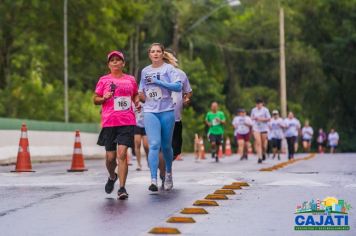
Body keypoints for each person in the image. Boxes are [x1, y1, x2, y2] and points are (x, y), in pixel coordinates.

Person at [94, 50, 140, 200]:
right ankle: (112, 176)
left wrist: (137, 102)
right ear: (109, 64)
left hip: (127, 121)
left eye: (118, 60)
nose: (115, 62)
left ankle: (122, 188)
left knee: (122, 155)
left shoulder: (130, 80)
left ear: (123, 63)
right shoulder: (103, 80)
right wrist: (103, 98)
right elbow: (95, 99)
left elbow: (135, 94)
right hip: (109, 122)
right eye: (112, 60)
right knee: (110, 158)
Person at [139, 43, 182, 192]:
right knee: (154, 145)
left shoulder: (169, 69)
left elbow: (178, 87)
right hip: (150, 111)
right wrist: (140, 97)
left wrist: (159, 82)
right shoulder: (145, 71)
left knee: (166, 146)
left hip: (167, 110)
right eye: (153, 52)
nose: (155, 54)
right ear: (149, 54)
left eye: (158, 51)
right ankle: (153, 179)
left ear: (163, 53)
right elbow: (142, 90)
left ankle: (168, 174)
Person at [251, 98, 271, 163]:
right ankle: (259, 157)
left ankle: (264, 153)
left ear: (262, 104)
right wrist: (254, 118)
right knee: (258, 142)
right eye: (257, 104)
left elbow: (269, 118)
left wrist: (261, 119)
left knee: (263, 145)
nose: (258, 105)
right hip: (256, 128)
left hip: (264, 128)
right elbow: (251, 118)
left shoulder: (265, 110)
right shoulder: (253, 110)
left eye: (260, 104)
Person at [134, 101, 149, 171]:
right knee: (137, 144)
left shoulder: (146, 100)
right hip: (136, 125)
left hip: (146, 125)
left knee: (146, 146)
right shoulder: (134, 101)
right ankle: (138, 164)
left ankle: (148, 160)